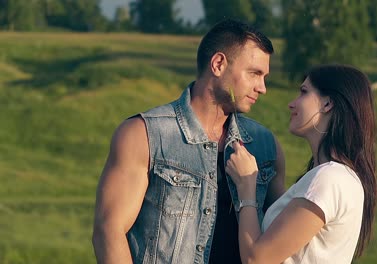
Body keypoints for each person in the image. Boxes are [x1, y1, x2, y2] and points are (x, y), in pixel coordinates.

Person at [91, 19, 285, 264]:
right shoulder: (144, 135)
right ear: (218, 64)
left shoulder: (266, 146)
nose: (263, 88)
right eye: (255, 73)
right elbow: (108, 232)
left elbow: (279, 240)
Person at [226, 64, 377, 264]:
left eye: (304, 92)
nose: (292, 103)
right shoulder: (338, 177)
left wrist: (246, 187)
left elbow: (256, 259)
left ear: (327, 104)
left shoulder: (330, 179)